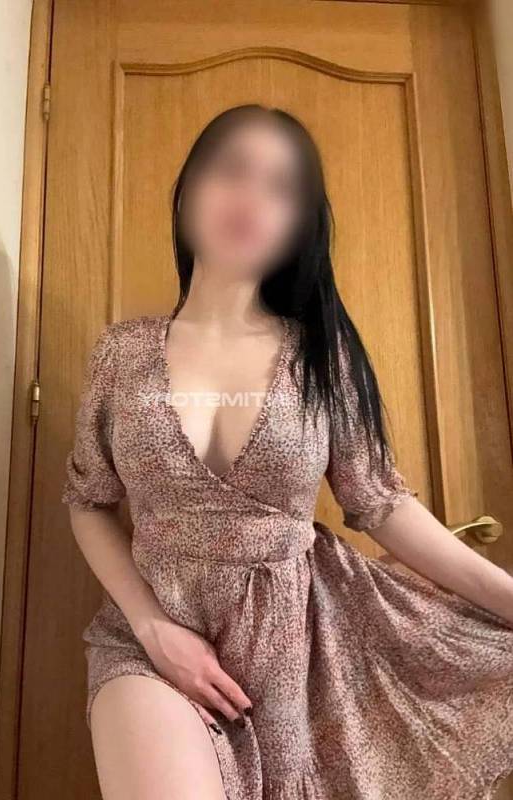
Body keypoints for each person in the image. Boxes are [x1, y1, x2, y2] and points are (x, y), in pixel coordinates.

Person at [61, 104, 513, 800]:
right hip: (148, 644)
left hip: (297, 659)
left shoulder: (321, 357)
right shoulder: (121, 354)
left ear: (298, 225)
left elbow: (381, 505)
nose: (250, 197)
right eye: (232, 169)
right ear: (187, 191)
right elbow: (88, 502)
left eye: (281, 187)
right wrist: (152, 629)